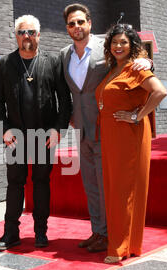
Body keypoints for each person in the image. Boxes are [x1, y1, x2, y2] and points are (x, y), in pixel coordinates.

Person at [60, 3, 152, 253]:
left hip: (107, 128)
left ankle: (112, 234)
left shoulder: (107, 45)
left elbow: (131, 53)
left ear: (89, 23)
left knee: (107, 185)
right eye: (71, 23)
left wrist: (145, 61)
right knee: (91, 185)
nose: (76, 27)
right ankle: (98, 231)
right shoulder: (64, 54)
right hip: (81, 129)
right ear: (67, 27)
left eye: (80, 22)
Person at [0, 15, 72, 250]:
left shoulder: (53, 61)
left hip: (44, 136)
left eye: (31, 32)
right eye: (21, 32)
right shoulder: (4, 64)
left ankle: (40, 232)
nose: (26, 37)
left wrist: (58, 130)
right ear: (16, 36)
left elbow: (64, 100)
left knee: (40, 182)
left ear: (39, 35)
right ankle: (10, 233)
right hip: (15, 137)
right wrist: (3, 130)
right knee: (14, 183)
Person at [95, 24, 167, 264]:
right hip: (112, 138)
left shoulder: (136, 68)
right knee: (115, 189)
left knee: (124, 190)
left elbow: (160, 91)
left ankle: (120, 247)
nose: (118, 46)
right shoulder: (113, 69)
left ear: (132, 45)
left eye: (123, 42)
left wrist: (138, 115)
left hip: (129, 137)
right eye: (114, 42)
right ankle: (125, 242)